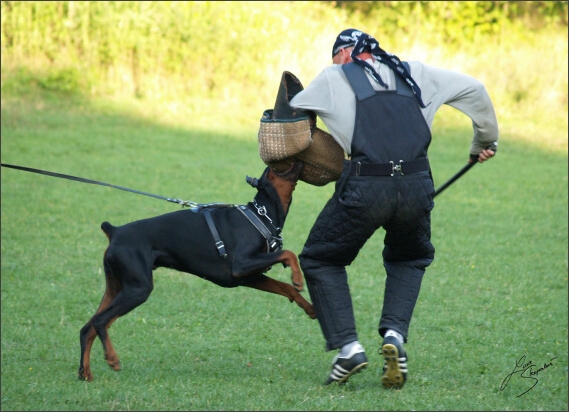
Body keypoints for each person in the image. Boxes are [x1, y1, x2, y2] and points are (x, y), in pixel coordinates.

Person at [289, 28, 498, 388]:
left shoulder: (333, 76)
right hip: (417, 184)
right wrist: (484, 140)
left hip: (365, 185)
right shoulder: (416, 72)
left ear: (343, 54)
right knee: (409, 257)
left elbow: (290, 118)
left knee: (321, 259)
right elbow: (475, 90)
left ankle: (349, 347)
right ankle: (395, 338)